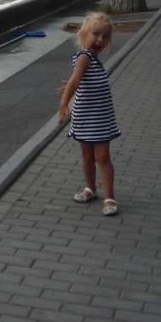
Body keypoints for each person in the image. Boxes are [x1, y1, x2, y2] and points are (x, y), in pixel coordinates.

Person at [58, 12, 120, 216]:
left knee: (102, 157)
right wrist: (64, 103)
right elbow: (76, 79)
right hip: (86, 118)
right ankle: (91, 188)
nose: (100, 40)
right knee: (87, 156)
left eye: (105, 36)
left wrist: (75, 85)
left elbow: (80, 80)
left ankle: (109, 197)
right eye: (96, 34)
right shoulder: (84, 57)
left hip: (100, 118)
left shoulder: (93, 60)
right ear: (83, 34)